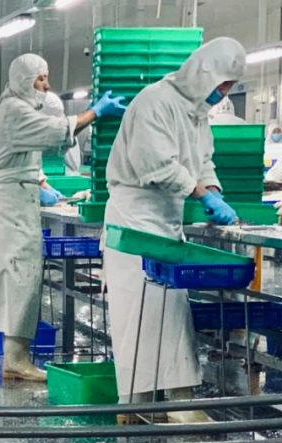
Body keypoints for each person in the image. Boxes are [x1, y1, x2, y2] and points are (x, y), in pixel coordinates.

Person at [102, 38, 245, 420]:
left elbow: (203, 161)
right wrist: (201, 194)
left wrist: (213, 190)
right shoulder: (154, 101)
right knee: (140, 312)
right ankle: (134, 404)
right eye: (222, 84)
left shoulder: (197, 114)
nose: (223, 92)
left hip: (166, 220)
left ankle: (177, 401)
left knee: (170, 312)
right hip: (134, 220)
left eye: (230, 86)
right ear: (204, 73)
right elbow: (156, 166)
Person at [0, 54, 126, 382]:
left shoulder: (25, 111)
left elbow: (37, 150)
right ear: (24, 79)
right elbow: (51, 131)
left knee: (24, 279)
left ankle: (16, 357)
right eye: (41, 78)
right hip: (0, 203)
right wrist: (95, 112)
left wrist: (43, 185)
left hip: (23, 202)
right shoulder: (11, 110)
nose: (47, 85)